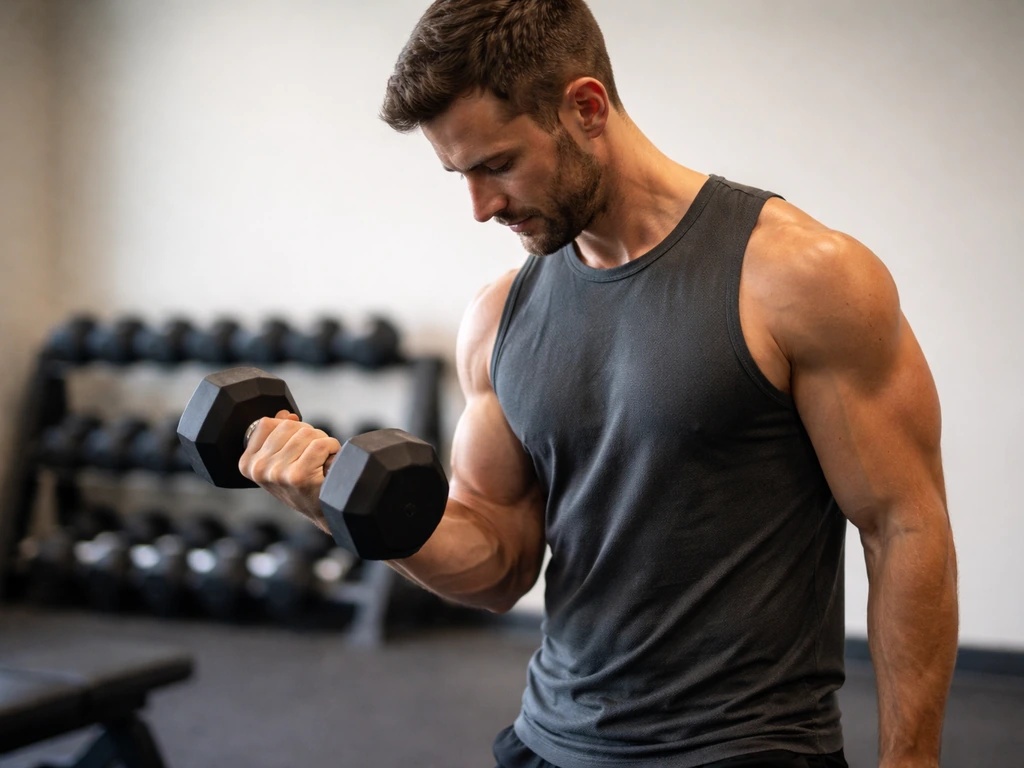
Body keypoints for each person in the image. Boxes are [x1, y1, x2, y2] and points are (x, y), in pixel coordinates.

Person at [239, 2, 959, 766]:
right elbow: (497, 563)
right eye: (460, 175)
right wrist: (345, 507)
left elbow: (903, 527)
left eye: (497, 164)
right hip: (550, 741)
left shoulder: (799, 277)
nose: (480, 208)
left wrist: (910, 761)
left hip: (745, 749)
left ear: (585, 108)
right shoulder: (499, 318)